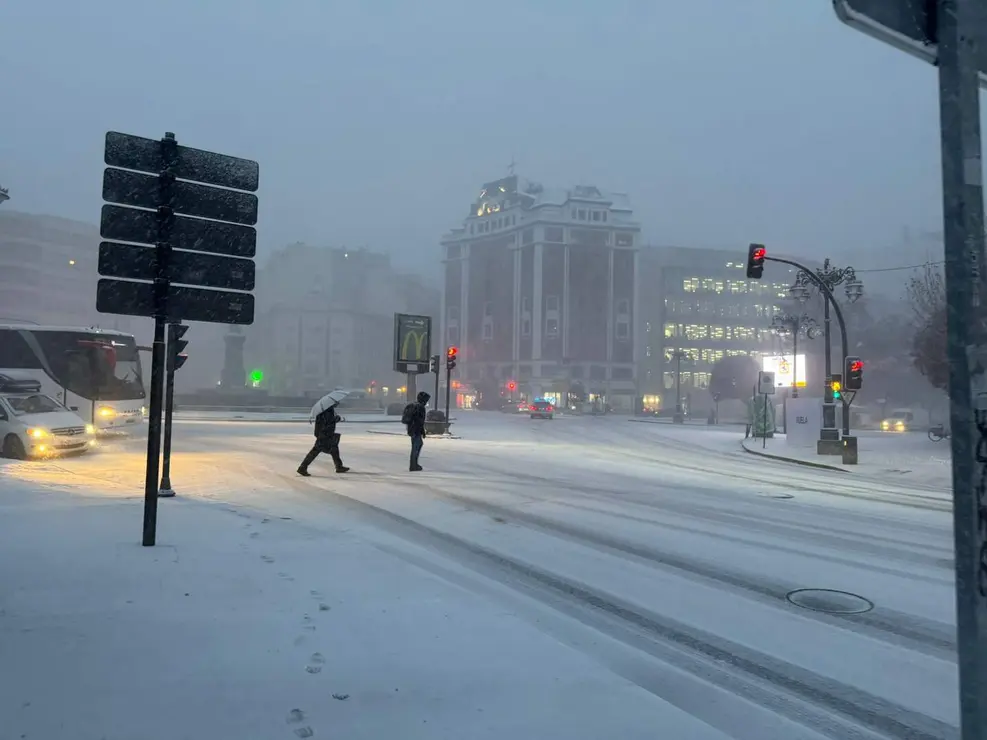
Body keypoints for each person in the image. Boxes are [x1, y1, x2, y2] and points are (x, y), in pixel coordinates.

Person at [297, 402, 349, 476]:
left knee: (334, 448)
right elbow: (328, 422)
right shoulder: (327, 411)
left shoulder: (325, 410)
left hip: (324, 434)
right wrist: (337, 418)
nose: (337, 403)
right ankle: (302, 467)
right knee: (315, 451)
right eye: (336, 402)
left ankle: (339, 466)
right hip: (324, 434)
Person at [402, 391, 430, 472]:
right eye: (426, 400)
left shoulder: (413, 405)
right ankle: (413, 465)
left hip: (412, 429)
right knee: (416, 447)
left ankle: (414, 464)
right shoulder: (420, 407)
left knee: (417, 445)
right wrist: (422, 431)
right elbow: (420, 421)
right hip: (416, 429)